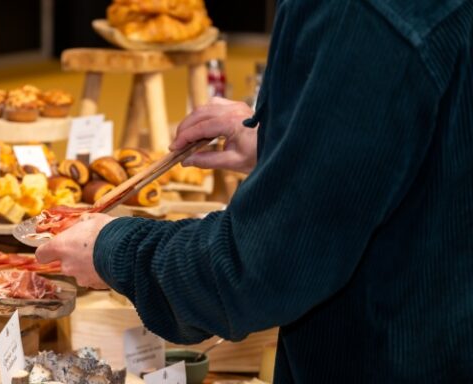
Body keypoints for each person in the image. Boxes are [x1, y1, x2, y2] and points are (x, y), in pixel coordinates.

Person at [36, 0, 473, 381]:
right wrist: (289, 141)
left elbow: (261, 266)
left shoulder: (361, 13)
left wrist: (113, 249)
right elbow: (427, 146)